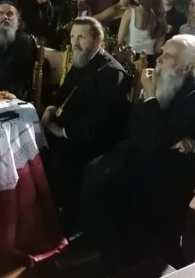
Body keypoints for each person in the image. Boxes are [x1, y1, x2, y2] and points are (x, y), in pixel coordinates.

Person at [81, 34, 195, 268]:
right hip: (151, 153)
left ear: (186, 67)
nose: (158, 60)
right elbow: (135, 128)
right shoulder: (168, 81)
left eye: (167, 56)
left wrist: (151, 98)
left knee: (113, 183)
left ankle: (124, 259)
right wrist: (164, 136)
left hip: (175, 169)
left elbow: (156, 137)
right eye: (161, 53)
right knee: (95, 169)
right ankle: (106, 246)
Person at [41, 17, 131, 234]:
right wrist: (51, 107)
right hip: (73, 129)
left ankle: (68, 221)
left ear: (98, 40)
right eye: (73, 36)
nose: (75, 42)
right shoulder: (83, 59)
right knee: (34, 146)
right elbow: (64, 91)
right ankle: (45, 210)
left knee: (57, 157)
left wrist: (62, 132)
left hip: (94, 139)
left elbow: (101, 120)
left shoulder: (112, 72)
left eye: (81, 37)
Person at [0, 2, 36, 98]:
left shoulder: (24, 41)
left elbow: (11, 74)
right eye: (1, 13)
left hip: (12, 95)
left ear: (18, 19)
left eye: (10, 14)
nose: (5, 17)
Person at [117, 0, 167, 66]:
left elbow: (119, 40)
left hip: (131, 59)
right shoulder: (161, 16)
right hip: (150, 61)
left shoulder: (130, 12)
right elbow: (158, 49)